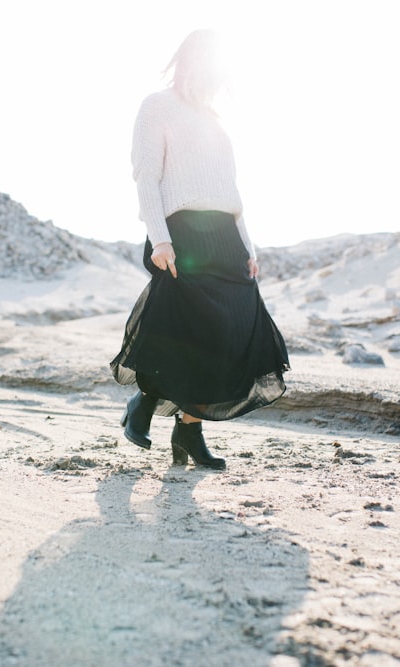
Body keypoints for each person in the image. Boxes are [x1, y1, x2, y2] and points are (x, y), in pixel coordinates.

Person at [110, 29, 289, 470]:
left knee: (230, 335)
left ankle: (187, 430)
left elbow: (230, 191)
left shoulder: (215, 121)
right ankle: (146, 401)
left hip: (225, 237)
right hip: (180, 232)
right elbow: (146, 176)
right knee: (185, 331)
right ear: (188, 64)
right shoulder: (157, 106)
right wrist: (160, 239)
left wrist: (248, 245)